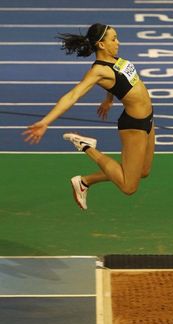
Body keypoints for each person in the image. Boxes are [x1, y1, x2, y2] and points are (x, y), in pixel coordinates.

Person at [23, 23, 155, 210]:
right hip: (134, 125)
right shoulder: (98, 70)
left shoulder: (115, 59)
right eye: (113, 39)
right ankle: (86, 146)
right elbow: (73, 95)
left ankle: (84, 182)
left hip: (149, 118)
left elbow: (118, 80)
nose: (118, 42)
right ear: (101, 44)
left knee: (143, 171)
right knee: (128, 187)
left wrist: (109, 98)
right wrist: (45, 122)